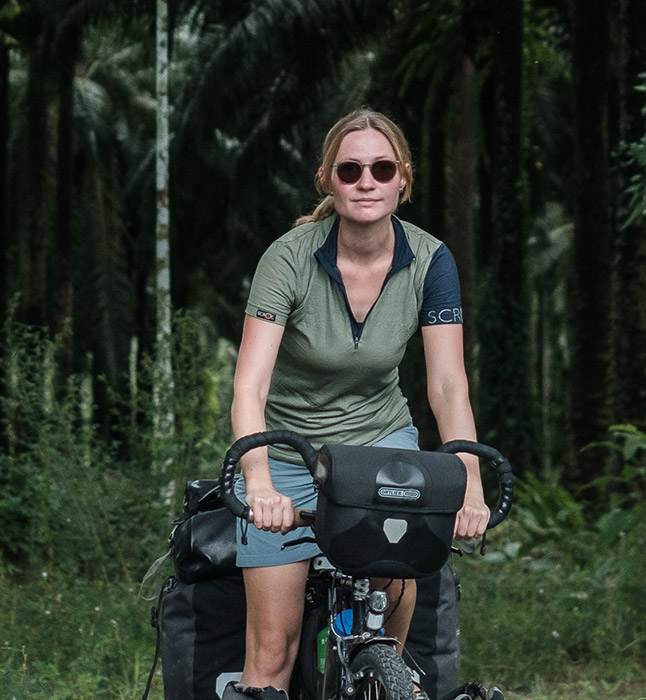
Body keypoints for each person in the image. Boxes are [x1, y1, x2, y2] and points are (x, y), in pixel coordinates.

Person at [226, 108, 489, 700]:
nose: (366, 181)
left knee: (390, 617)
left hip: (380, 444)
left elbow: (447, 386)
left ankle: (379, 676)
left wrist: (468, 479)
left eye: (381, 168)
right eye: (350, 170)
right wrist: (260, 481)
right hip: (290, 452)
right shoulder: (288, 258)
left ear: (403, 180)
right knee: (271, 653)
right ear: (327, 180)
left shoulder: (430, 261)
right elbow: (249, 387)